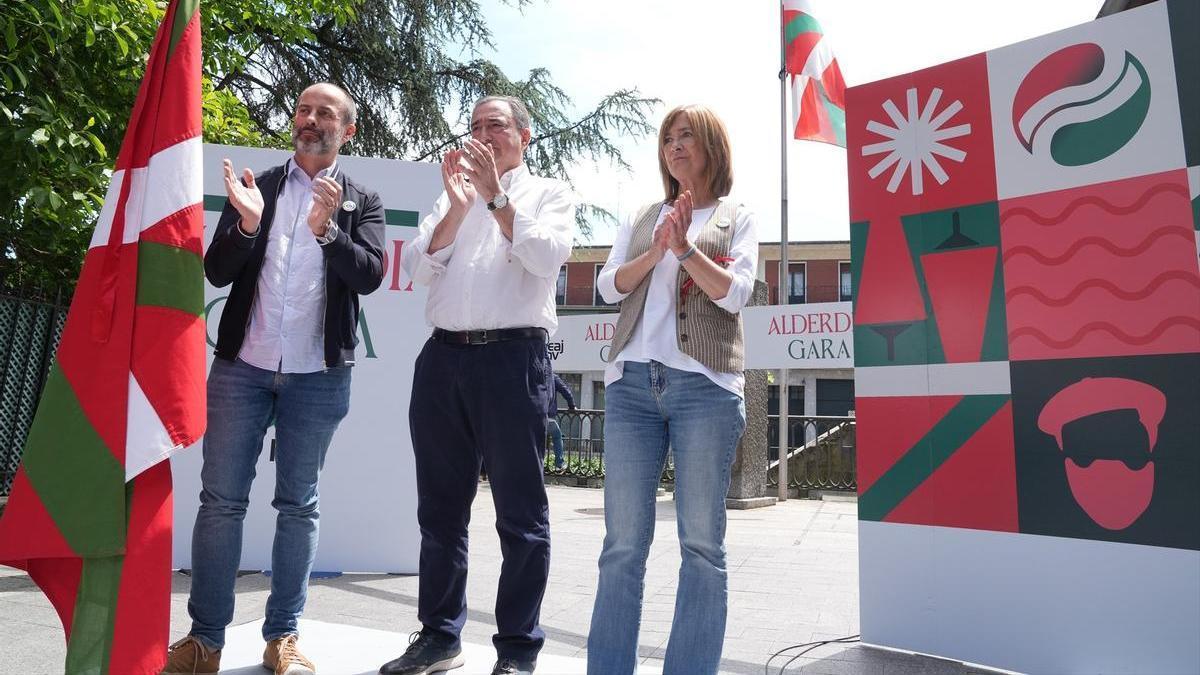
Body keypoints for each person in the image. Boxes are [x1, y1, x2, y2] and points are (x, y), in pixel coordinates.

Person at [161, 83, 385, 675]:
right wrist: (245, 225)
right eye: (303, 109)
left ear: (347, 131)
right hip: (242, 369)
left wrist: (328, 229)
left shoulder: (362, 200)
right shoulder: (256, 187)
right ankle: (205, 640)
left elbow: (369, 276)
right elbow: (216, 271)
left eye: (325, 113)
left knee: (298, 506)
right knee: (220, 502)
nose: (310, 119)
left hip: (318, 376)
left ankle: (282, 636)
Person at [380, 96, 574, 675]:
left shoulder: (549, 193)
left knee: (520, 513)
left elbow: (545, 258)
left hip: (513, 359)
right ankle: (439, 636)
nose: (484, 135)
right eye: (475, 126)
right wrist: (460, 207)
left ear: (525, 136)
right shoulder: (451, 195)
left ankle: (517, 649)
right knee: (440, 510)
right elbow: (416, 268)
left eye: (497, 125)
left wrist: (495, 198)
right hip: (444, 358)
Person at [585, 104, 758, 675]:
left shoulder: (736, 216)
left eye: (687, 136)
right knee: (621, 546)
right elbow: (608, 287)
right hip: (632, 385)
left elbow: (734, 294)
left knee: (702, 546)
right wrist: (657, 249)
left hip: (704, 387)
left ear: (712, 147)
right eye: (668, 138)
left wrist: (685, 249)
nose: (675, 146)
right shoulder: (643, 217)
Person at [548, 373, 577, 470]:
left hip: (532, 416)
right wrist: (572, 406)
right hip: (548, 416)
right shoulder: (552, 376)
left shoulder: (531, 373)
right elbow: (566, 391)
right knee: (557, 436)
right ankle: (559, 464)